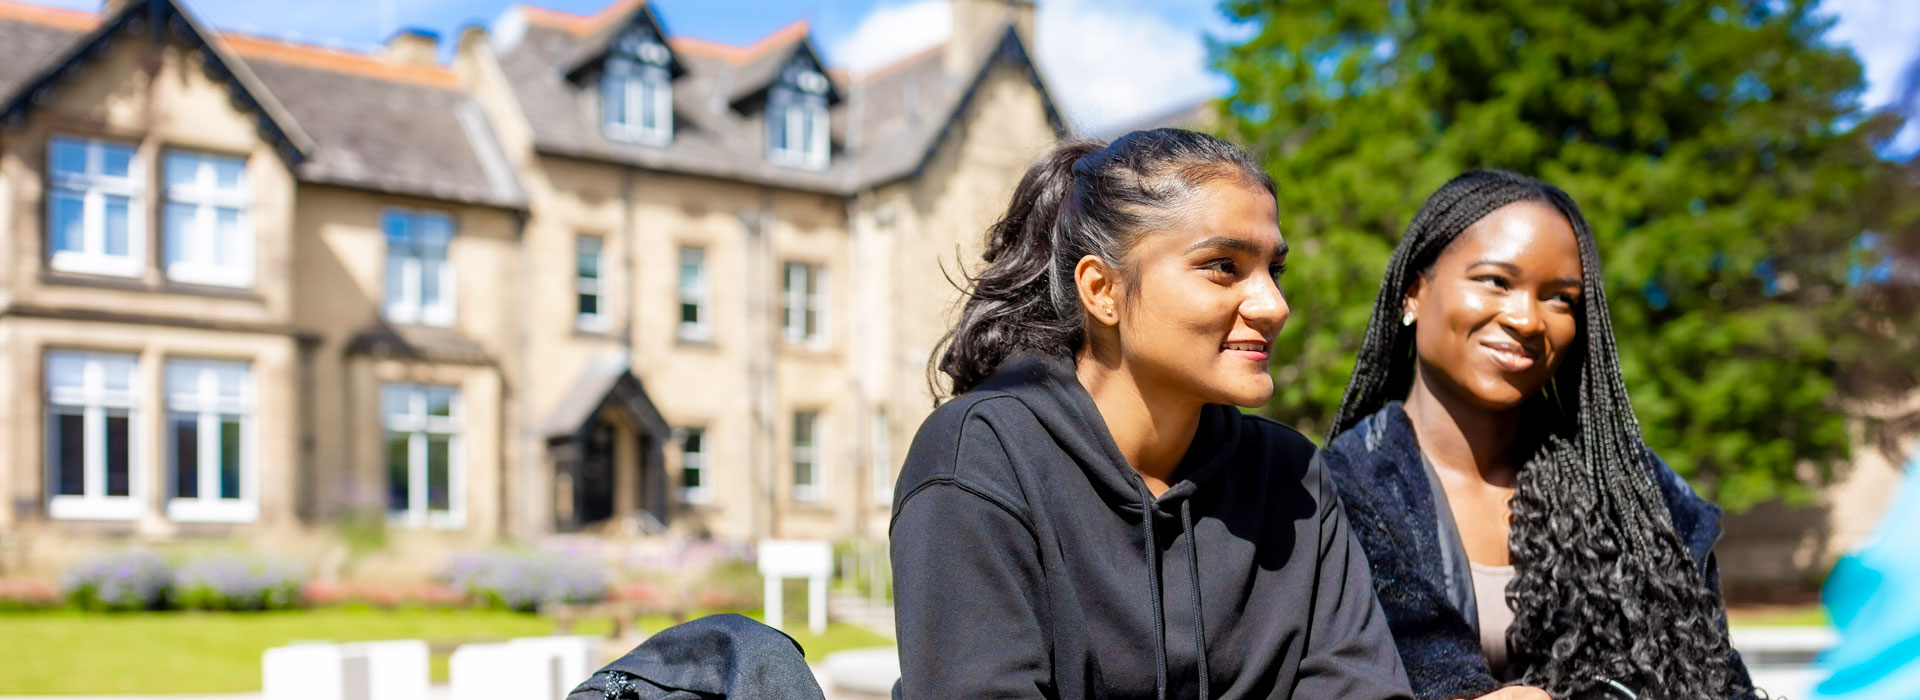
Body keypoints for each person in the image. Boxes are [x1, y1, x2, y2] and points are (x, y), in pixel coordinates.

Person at [888, 129, 1413, 698]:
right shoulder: (981, 460)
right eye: (1223, 265)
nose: (1274, 306)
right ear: (1102, 288)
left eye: (1273, 270)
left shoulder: (1292, 478)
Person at [1318, 169, 1758, 699]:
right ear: (1413, 292)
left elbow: (1711, 676)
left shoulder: (1635, 499)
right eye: (1495, 282)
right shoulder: (1339, 492)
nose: (1527, 319)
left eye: (1559, 299)